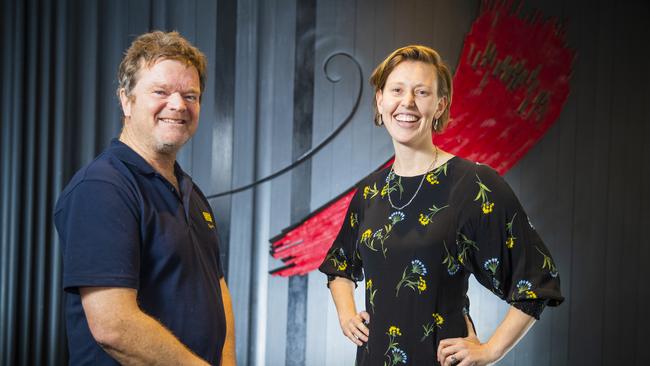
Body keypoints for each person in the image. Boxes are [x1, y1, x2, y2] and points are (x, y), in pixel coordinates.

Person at [319, 45, 563, 366]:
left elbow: (537, 280)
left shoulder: (472, 183)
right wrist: (347, 313)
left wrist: (490, 350)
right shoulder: (370, 192)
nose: (407, 102)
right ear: (380, 100)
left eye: (421, 92)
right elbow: (339, 265)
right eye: (397, 90)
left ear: (440, 105)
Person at [54, 31, 236, 365]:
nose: (178, 104)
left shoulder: (191, 194)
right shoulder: (102, 187)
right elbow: (113, 326)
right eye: (161, 92)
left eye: (190, 95)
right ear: (126, 99)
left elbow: (217, 288)